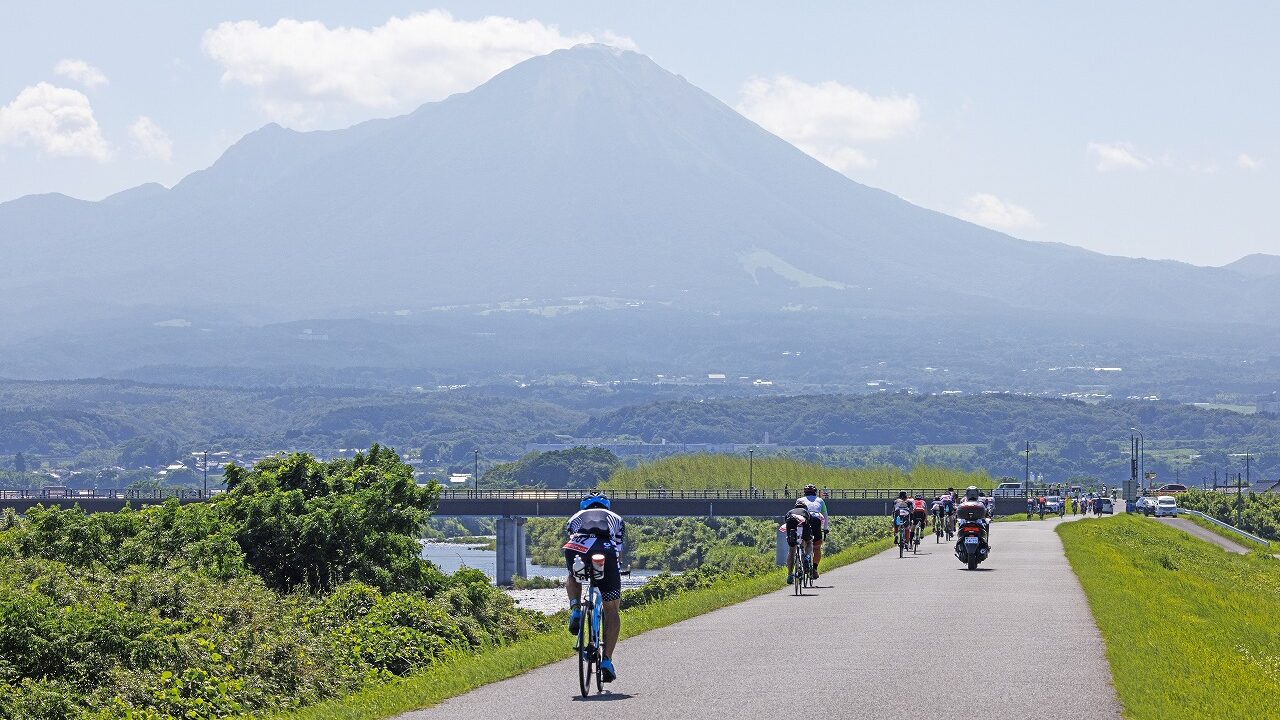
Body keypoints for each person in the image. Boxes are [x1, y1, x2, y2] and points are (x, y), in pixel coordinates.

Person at [564, 492, 625, 683]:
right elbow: (618, 552)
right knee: (612, 609)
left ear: (584, 507)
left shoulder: (574, 517)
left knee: (574, 575)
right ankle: (606, 660)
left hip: (576, 548)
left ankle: (575, 609)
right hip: (605, 550)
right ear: (606, 506)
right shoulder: (616, 519)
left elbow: (572, 536)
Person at [796, 484, 828, 578]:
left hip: (803, 520)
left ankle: (802, 557)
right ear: (815, 492)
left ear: (804, 492)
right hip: (815, 520)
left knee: (803, 540)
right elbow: (825, 515)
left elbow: (796, 513)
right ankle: (814, 569)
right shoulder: (820, 500)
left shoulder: (800, 500)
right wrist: (825, 529)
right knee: (817, 547)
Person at [784, 500, 813, 584]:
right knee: (809, 542)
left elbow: (786, 524)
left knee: (791, 550)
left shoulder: (789, 512)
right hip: (804, 525)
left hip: (791, 525)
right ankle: (807, 557)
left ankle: (789, 575)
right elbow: (810, 525)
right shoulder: (806, 512)